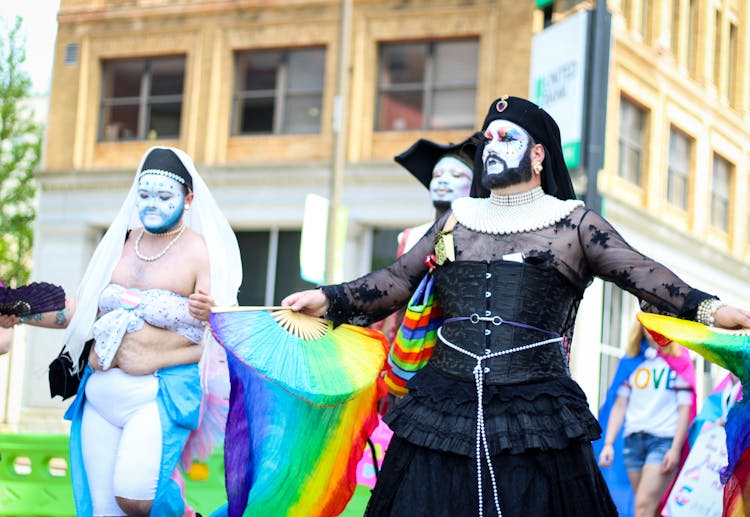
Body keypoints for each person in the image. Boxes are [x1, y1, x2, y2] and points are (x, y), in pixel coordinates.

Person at [281, 95, 750, 517]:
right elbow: (398, 278)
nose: (492, 146)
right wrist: (328, 297)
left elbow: (642, 273)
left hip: (537, 414)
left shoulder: (573, 224)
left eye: (507, 137)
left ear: (539, 154)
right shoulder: (456, 220)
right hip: (443, 408)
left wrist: (710, 309)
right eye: (488, 138)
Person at [0, 146, 242, 516]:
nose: (152, 204)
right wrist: (17, 311)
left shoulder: (200, 251)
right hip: (100, 393)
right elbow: (79, 312)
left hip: (156, 394)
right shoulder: (121, 243)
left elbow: (227, 325)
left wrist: (212, 312)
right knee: (103, 510)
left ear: (187, 198)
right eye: (144, 195)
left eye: (163, 196)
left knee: (135, 498)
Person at [596, 320, 696, 517]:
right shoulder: (631, 361)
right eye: (647, 323)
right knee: (649, 507)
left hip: (663, 442)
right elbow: (619, 404)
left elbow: (686, 408)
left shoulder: (680, 360)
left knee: (642, 506)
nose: (651, 329)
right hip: (633, 442)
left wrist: (676, 449)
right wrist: (608, 443)